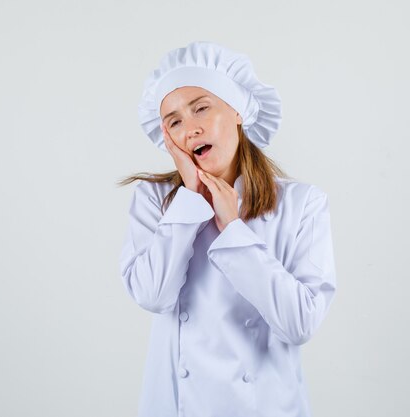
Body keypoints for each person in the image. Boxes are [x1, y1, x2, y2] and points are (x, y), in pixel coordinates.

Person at [118, 41, 337, 417]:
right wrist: (189, 201)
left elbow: (299, 324)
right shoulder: (155, 200)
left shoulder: (302, 204)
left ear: (237, 111)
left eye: (201, 107)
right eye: (174, 121)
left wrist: (232, 229)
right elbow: (153, 295)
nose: (191, 128)